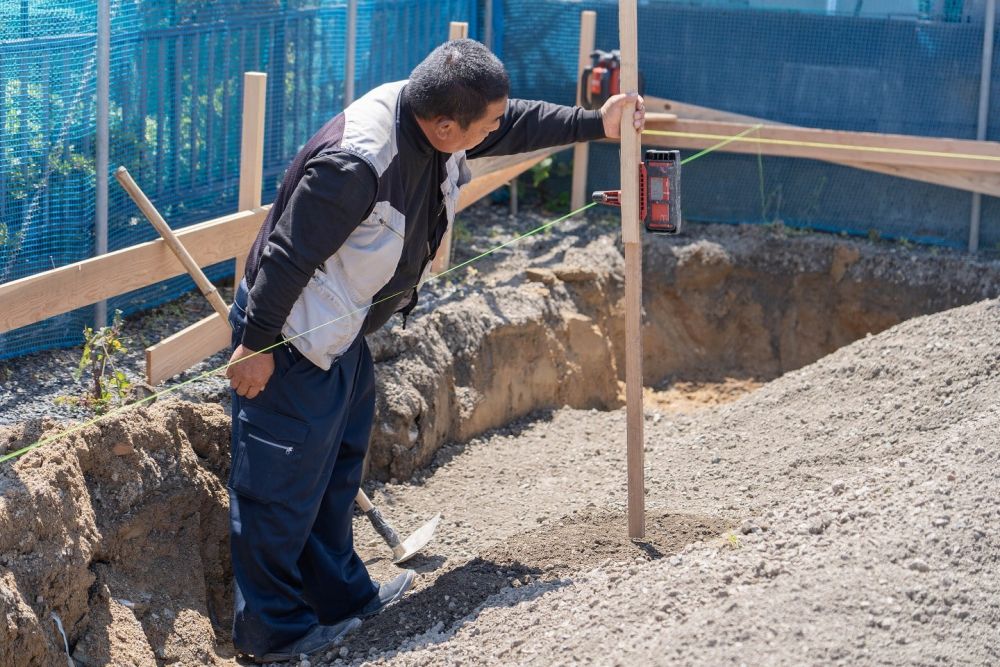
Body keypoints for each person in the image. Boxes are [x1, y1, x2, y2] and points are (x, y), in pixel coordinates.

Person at [225, 38, 645, 663]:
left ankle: (341, 603)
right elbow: (286, 257)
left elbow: (512, 123)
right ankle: (275, 638)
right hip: (291, 338)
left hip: (340, 337)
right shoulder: (356, 163)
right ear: (447, 126)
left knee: (335, 476)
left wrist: (594, 123)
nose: (498, 127)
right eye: (487, 122)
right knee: (277, 494)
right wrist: (254, 345)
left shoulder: (434, 117)